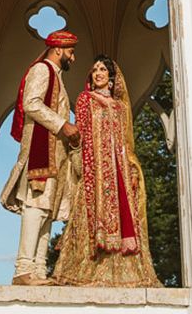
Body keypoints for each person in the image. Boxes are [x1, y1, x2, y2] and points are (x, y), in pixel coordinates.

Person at [53, 55, 161, 288]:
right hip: (95, 171)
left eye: (103, 70)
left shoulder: (121, 107)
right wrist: (87, 168)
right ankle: (88, 272)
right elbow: (81, 133)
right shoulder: (85, 100)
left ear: (111, 79)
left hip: (119, 168)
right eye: (95, 70)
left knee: (124, 216)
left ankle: (127, 274)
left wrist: (131, 168)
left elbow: (126, 142)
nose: (98, 73)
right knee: (90, 214)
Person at [0, 30, 80, 286]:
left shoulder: (54, 75)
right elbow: (31, 103)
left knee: (46, 210)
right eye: (70, 51)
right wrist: (63, 125)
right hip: (41, 152)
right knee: (36, 207)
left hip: (54, 154)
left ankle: (39, 270)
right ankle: (23, 269)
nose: (73, 57)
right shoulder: (42, 70)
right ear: (58, 49)